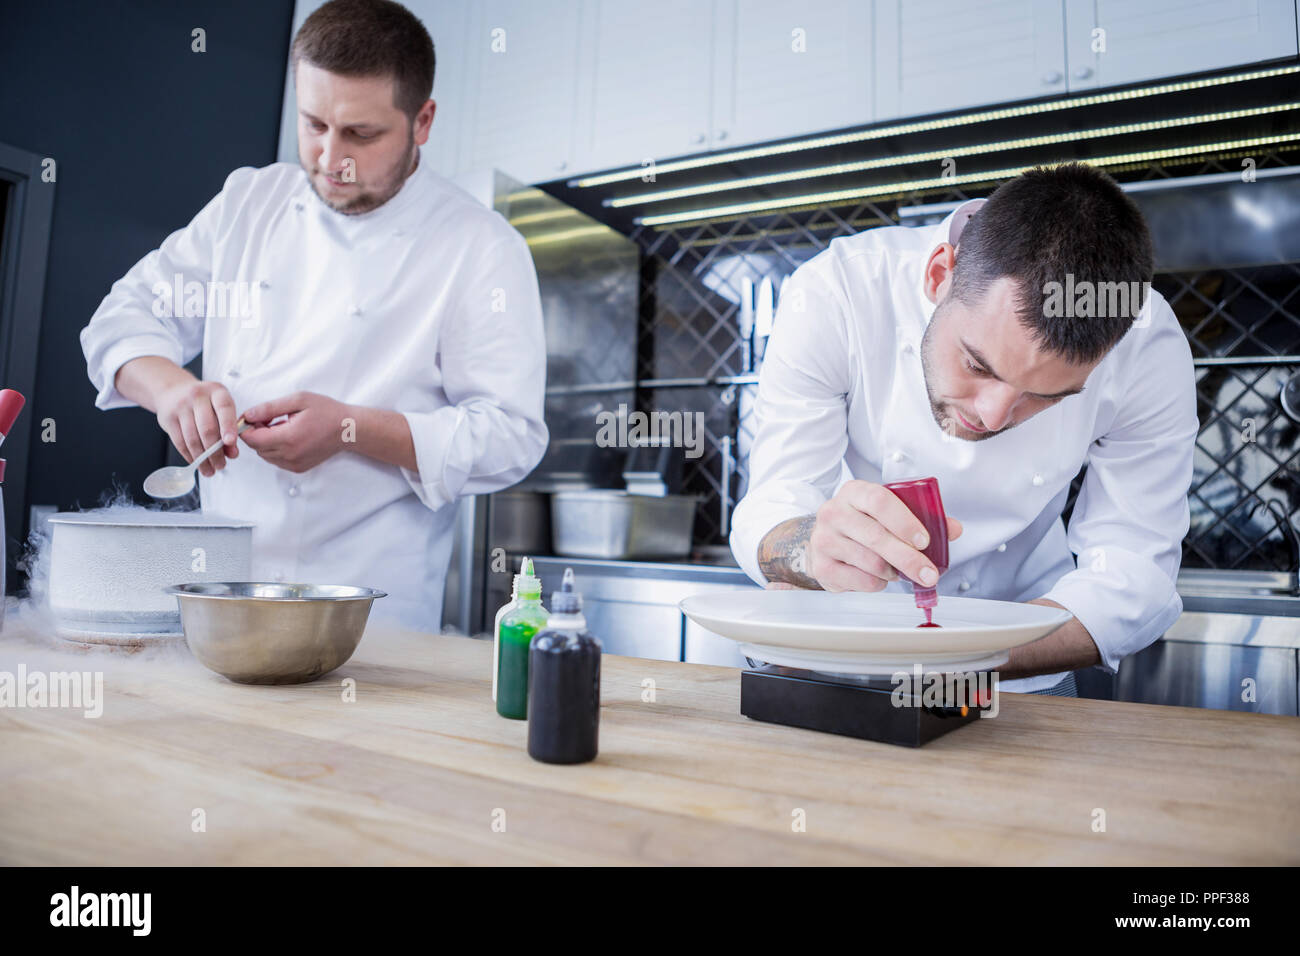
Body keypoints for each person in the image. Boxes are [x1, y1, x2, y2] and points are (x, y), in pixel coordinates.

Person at [81, 0, 547, 630]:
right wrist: (174, 392)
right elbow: (121, 319)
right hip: (221, 600)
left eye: (361, 133)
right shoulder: (251, 201)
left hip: (373, 622)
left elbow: (511, 436)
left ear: (423, 121)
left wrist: (350, 428)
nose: (332, 159)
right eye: (313, 125)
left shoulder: (479, 246)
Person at [729, 163, 1198, 695]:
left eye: (1044, 397)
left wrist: (958, 658)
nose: (993, 416)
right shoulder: (838, 293)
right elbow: (774, 501)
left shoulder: (1145, 346)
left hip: (1018, 671)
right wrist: (812, 547)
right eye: (978, 365)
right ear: (939, 274)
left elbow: (1134, 571)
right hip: (833, 652)